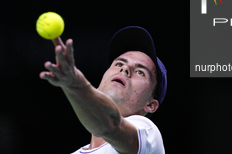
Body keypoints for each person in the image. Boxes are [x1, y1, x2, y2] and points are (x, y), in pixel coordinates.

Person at [39, 26, 167, 154]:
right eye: (118, 64)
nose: (124, 69)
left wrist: (75, 85)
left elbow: (112, 126)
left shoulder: (149, 136)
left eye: (140, 72)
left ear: (150, 104)